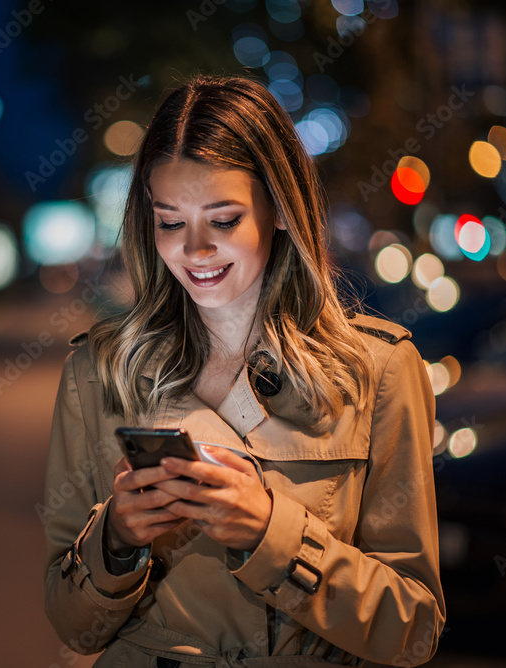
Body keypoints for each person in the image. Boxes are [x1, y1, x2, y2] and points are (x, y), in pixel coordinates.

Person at [43, 74, 445, 667]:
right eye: (171, 222)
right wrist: (117, 541)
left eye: (224, 219)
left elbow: (411, 629)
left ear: (279, 210)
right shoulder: (97, 373)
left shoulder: (378, 370)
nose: (196, 249)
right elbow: (72, 627)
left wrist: (269, 534)